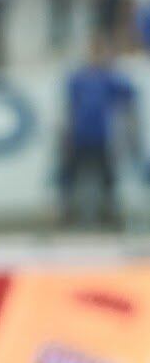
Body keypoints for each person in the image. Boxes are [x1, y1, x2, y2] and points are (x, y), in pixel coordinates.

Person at [59, 42, 138, 229]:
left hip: (102, 135)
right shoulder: (78, 78)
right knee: (72, 176)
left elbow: (129, 97)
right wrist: (66, 133)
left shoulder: (109, 78)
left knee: (107, 177)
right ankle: (69, 214)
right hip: (79, 134)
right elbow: (70, 108)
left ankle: (108, 215)